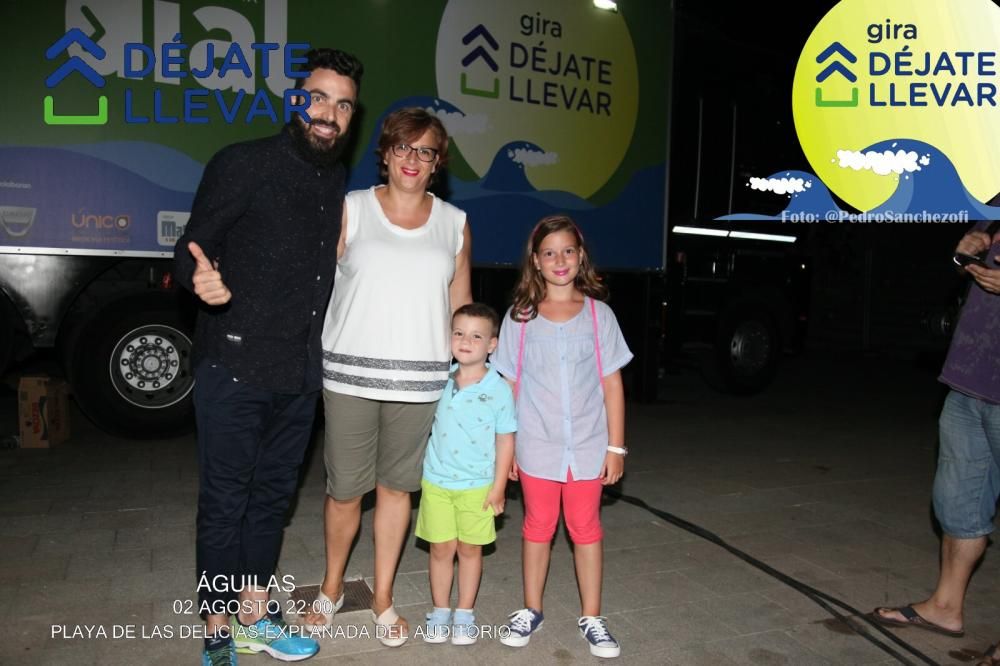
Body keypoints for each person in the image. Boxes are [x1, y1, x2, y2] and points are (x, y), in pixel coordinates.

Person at [174, 48, 363, 666]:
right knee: (226, 502)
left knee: (272, 503)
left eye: (343, 105)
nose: (329, 114)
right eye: (319, 98)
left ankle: (256, 615)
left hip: (300, 374)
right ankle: (216, 629)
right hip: (233, 366)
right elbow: (191, 248)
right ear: (295, 100)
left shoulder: (335, 180)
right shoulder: (244, 163)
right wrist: (199, 280)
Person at [302, 107, 472, 646]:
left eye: (425, 151)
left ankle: (383, 599)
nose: (412, 160)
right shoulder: (350, 209)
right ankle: (330, 589)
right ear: (386, 152)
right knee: (345, 491)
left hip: (421, 382)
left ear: (437, 162)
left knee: (397, 491)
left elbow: (460, 305)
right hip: (349, 376)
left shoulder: (454, 224)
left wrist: (473, 381)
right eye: (403, 147)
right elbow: (311, 287)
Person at [491, 215, 632, 659]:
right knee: (537, 525)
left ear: (580, 255)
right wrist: (506, 448)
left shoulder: (598, 314)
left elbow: (612, 384)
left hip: (589, 445)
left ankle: (592, 616)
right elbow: (509, 385)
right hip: (537, 444)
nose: (559, 260)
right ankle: (531, 608)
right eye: (549, 252)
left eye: (567, 251)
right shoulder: (521, 317)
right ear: (535, 260)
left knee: (585, 527)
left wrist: (616, 446)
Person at [873, 221, 1000, 647]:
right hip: (970, 378)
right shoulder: (993, 203)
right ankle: (946, 607)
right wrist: (963, 254)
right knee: (956, 503)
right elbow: (965, 261)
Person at [414, 302, 516, 645]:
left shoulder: (498, 388)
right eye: (458, 333)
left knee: (471, 550)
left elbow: (505, 440)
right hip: (437, 482)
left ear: (492, 344)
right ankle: (440, 610)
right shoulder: (439, 380)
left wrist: (499, 487)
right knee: (441, 549)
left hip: (478, 486)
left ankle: (465, 614)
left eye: (476, 335)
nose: (466, 341)